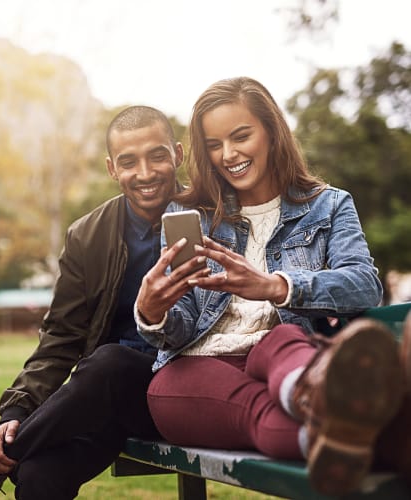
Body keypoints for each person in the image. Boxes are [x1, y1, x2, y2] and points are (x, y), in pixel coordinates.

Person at [134, 77, 411, 496]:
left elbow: (363, 284)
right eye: (214, 144)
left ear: (271, 131)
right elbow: (182, 327)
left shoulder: (329, 204)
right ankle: (359, 427)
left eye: (241, 135)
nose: (229, 155)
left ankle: (314, 402)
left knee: (281, 336)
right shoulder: (188, 213)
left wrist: (277, 286)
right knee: (181, 388)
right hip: (199, 371)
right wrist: (154, 313)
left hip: (286, 356)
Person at [0, 105, 203, 500]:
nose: (145, 173)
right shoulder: (87, 236)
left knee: (108, 362)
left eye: (157, 156)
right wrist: (15, 412)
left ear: (177, 155)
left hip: (185, 395)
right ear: (112, 169)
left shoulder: (214, 217)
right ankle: (7, 457)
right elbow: (61, 337)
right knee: (40, 474)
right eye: (129, 162)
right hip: (106, 402)